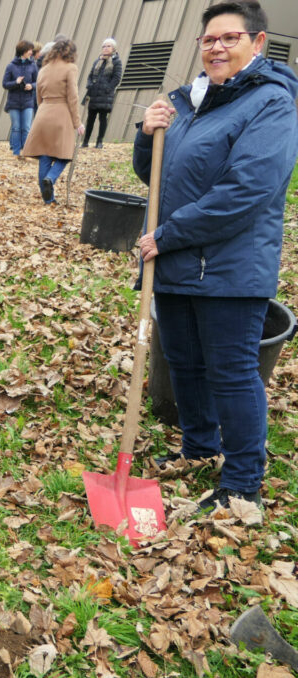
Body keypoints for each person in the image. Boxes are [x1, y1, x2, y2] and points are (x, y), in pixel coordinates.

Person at [134, 1, 298, 513]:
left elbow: (248, 189)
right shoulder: (190, 100)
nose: (217, 48)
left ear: (258, 43)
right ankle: (200, 449)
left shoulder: (271, 103)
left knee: (231, 370)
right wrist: (147, 135)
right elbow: (157, 178)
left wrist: (168, 233)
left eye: (230, 38)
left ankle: (243, 481)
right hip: (176, 258)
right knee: (183, 361)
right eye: (209, 40)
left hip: (229, 267)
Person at [22, 38, 83, 204]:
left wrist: (44, 109)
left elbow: (38, 96)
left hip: (43, 112)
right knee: (65, 155)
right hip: (62, 113)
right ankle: (51, 177)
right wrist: (77, 122)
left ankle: (48, 199)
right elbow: (73, 97)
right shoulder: (70, 68)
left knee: (45, 156)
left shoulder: (43, 69)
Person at [83, 38, 122, 148]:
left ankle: (99, 141)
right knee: (90, 118)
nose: (105, 48)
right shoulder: (97, 61)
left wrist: (108, 89)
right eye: (104, 46)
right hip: (94, 93)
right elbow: (90, 76)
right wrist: (89, 85)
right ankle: (85, 141)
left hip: (105, 95)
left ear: (113, 48)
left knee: (102, 118)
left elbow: (117, 78)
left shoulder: (116, 61)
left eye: (108, 46)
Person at [2, 40, 37, 157]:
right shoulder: (11, 66)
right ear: (23, 51)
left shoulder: (33, 66)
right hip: (14, 102)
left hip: (28, 101)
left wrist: (31, 86)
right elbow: (5, 84)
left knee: (26, 127)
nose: (31, 52)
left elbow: (38, 82)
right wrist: (16, 82)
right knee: (16, 127)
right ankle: (16, 152)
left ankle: (26, 152)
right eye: (29, 50)